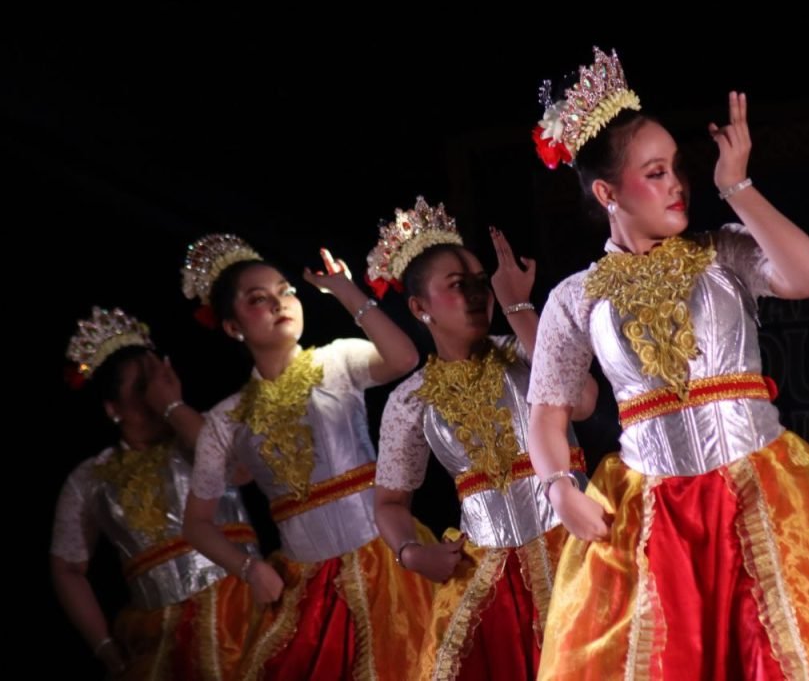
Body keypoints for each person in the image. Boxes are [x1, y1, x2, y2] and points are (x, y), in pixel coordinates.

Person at [527, 48, 809, 680]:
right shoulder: (576, 297)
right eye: (655, 173)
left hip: (755, 493)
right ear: (607, 192)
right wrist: (558, 488)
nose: (677, 185)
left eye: (677, 169)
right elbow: (546, 413)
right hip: (653, 514)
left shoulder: (722, 254)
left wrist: (736, 186)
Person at [180, 234, 434, 680]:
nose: (278, 303)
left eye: (286, 291)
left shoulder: (337, 361)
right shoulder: (225, 420)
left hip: (390, 561)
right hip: (307, 586)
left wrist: (345, 291)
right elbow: (196, 524)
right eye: (258, 299)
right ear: (233, 327)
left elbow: (404, 357)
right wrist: (249, 569)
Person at [369, 197, 598, 679]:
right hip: (487, 576)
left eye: (481, 283)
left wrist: (518, 306)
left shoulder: (526, 347)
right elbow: (390, 502)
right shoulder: (410, 400)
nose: (477, 295)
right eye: (458, 286)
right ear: (419, 308)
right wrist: (412, 553)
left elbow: (582, 401)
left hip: (576, 547)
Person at [53, 306, 258, 680]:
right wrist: (105, 647)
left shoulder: (200, 431)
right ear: (113, 408)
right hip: (163, 640)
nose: (153, 397)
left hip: (249, 610)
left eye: (157, 382)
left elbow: (242, 470)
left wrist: (174, 406)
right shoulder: (90, 478)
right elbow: (66, 567)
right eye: (140, 389)